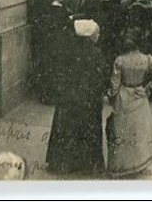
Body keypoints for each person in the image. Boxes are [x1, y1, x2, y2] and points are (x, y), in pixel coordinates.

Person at [46, 19, 108, 175]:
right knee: (89, 129)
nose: (98, 36)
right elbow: (101, 77)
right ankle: (88, 164)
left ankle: (64, 163)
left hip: (69, 97)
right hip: (89, 99)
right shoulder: (96, 53)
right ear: (89, 36)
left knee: (67, 130)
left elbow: (59, 74)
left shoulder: (68, 51)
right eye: (96, 33)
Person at [107, 29, 152, 177]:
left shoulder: (120, 60)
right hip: (140, 96)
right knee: (140, 132)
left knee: (123, 131)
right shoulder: (147, 59)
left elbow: (115, 84)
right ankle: (141, 163)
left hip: (124, 96)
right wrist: (148, 88)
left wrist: (111, 96)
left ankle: (122, 166)